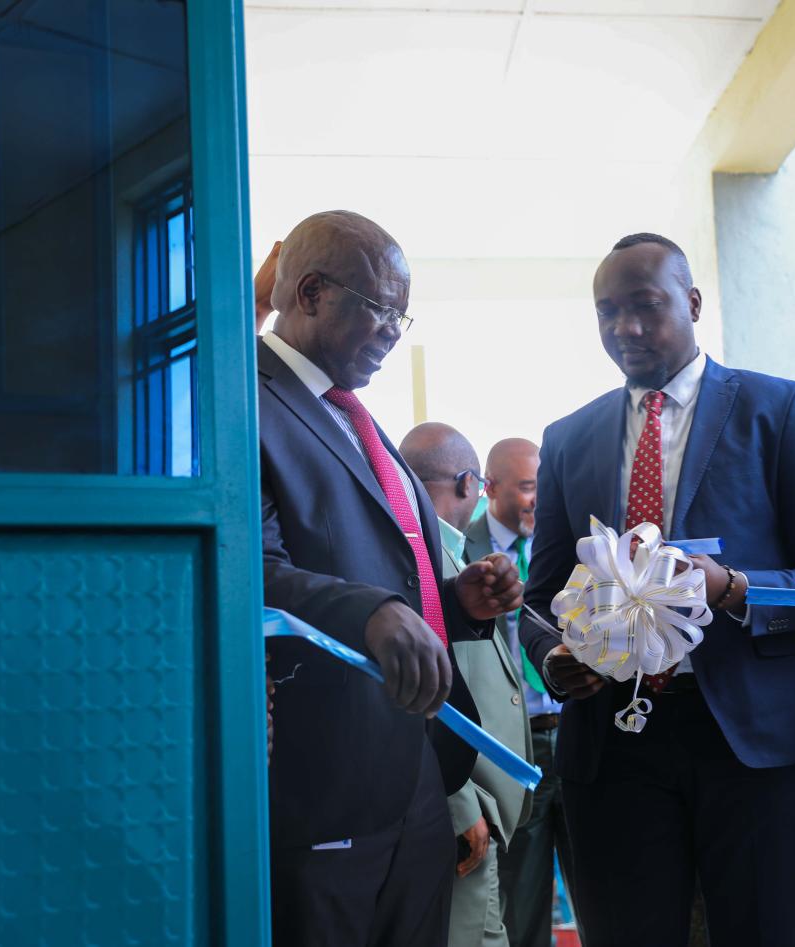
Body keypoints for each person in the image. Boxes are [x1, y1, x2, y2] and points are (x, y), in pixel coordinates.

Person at [520, 233, 795, 946]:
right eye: (607, 312)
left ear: (694, 302)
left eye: (645, 306)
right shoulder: (568, 437)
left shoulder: (780, 410)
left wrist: (733, 587)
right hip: (612, 743)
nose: (625, 329)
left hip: (751, 740)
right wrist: (556, 657)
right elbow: (539, 596)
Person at [258, 210, 522, 947]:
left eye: (402, 316)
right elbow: (252, 571)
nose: (392, 333)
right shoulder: (243, 400)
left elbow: (396, 575)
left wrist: (460, 604)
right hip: (322, 783)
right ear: (309, 291)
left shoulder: (361, 422)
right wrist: (371, 609)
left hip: (416, 777)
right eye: (379, 309)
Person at [400, 422, 535, 947]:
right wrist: (457, 803)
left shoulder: (445, 552)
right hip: (461, 808)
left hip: (478, 806)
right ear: (470, 485)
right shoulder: (419, 558)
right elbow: (417, 695)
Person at [465, 437, 579, 947]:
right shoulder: (456, 549)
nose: (539, 501)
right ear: (489, 488)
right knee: (522, 902)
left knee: (604, 891)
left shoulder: (573, 547)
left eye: (543, 487)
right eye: (529, 488)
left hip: (575, 736)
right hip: (513, 750)